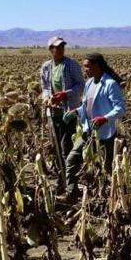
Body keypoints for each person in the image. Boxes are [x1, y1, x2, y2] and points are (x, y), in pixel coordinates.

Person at [60, 53, 126, 197]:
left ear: (97, 66)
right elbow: (86, 106)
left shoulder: (110, 84)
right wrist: (75, 112)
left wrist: (105, 118)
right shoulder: (89, 83)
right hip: (88, 130)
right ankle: (71, 192)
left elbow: (120, 108)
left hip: (105, 133)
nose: (85, 70)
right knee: (72, 159)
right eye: (84, 67)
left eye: (87, 66)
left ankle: (107, 196)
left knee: (105, 167)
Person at [39, 36, 85, 164]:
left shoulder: (71, 65)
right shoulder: (46, 67)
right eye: (56, 47)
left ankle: (70, 172)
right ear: (50, 49)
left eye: (62, 47)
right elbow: (45, 87)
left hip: (69, 111)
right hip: (53, 112)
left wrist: (65, 94)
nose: (60, 50)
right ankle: (60, 171)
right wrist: (46, 98)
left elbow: (81, 85)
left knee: (67, 145)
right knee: (55, 144)